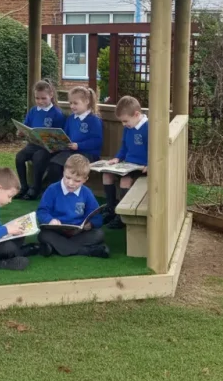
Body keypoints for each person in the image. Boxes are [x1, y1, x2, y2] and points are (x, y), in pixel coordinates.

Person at [36, 154, 109, 258]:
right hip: (56, 232)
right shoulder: (52, 189)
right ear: (63, 172)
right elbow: (42, 211)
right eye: (68, 177)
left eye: (77, 181)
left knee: (99, 234)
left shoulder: (86, 193)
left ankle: (55, 248)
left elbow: (97, 216)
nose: (70, 183)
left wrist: (91, 224)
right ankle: (86, 251)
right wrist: (50, 220)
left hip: (78, 233)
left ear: (85, 179)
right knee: (43, 235)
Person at [42, 85, 103, 189]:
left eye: (75, 103)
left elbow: (97, 141)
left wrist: (79, 145)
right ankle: (52, 191)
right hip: (70, 152)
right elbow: (65, 135)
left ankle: (62, 191)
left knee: (63, 166)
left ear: (87, 101)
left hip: (88, 154)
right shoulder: (71, 118)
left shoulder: (94, 120)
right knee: (53, 164)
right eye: (70, 103)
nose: (72, 106)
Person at [103, 96, 148, 229]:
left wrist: (150, 165)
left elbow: (155, 149)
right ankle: (111, 208)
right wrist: (117, 158)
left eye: (125, 121)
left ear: (137, 114)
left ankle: (121, 216)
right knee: (107, 174)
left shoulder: (148, 127)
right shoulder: (129, 127)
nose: (123, 124)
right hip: (127, 164)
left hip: (141, 167)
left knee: (125, 181)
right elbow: (124, 146)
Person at [15, 80, 66, 200]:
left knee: (38, 157)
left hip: (48, 148)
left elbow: (60, 136)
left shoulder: (57, 114)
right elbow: (26, 125)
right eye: (37, 98)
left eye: (43, 98)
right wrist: (21, 132)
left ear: (51, 95)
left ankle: (36, 188)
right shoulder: (33, 111)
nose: (40, 101)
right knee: (19, 157)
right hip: (33, 144)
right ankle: (24, 187)